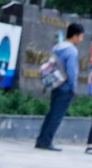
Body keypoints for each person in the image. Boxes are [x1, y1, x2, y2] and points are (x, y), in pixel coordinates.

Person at [35, 22, 84, 150]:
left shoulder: (57, 47)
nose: (81, 39)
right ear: (75, 36)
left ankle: (42, 139)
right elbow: (72, 71)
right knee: (57, 115)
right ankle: (46, 141)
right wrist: (74, 87)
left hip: (55, 84)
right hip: (66, 86)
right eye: (81, 36)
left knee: (51, 113)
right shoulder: (72, 51)